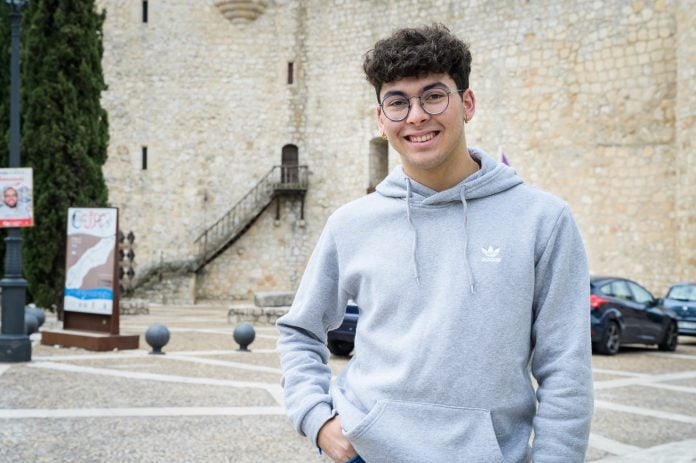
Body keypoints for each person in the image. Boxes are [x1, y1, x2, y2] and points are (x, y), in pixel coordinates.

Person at [277, 24, 593, 463]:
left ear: (467, 103)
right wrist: (318, 421)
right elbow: (299, 330)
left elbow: (566, 369)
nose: (416, 116)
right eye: (398, 102)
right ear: (381, 119)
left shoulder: (543, 219)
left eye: (433, 96)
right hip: (363, 454)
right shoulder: (352, 223)